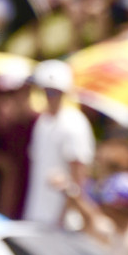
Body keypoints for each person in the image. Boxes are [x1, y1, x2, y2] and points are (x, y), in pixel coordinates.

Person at [22, 61, 96, 226]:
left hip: (63, 221)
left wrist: (66, 214)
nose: (50, 97)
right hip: (38, 213)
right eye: (47, 91)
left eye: (55, 92)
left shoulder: (74, 123)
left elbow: (79, 175)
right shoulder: (43, 122)